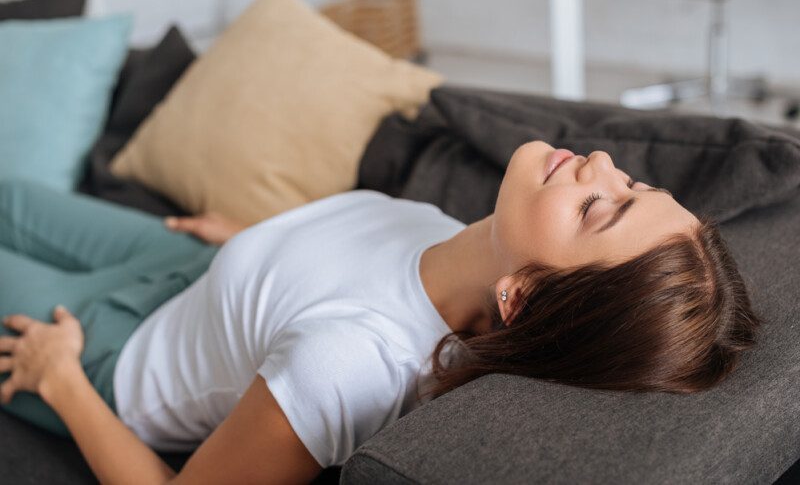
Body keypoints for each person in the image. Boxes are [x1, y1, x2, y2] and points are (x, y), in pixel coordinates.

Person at [0, 141, 761, 484]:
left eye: (598, 208)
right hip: (187, 274)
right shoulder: (466, 238)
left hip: (106, 354)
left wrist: (60, 379)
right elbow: (341, 269)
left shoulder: (348, 365)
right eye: (633, 184)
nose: (599, 165)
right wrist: (256, 245)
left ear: (521, 296)